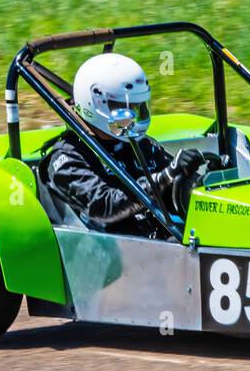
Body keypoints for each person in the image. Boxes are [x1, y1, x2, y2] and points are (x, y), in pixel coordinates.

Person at [40, 52, 208, 235]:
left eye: (136, 108)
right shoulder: (67, 159)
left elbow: (172, 189)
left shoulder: (140, 144)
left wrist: (196, 181)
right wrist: (164, 177)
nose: (133, 116)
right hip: (111, 254)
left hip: (164, 243)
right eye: (122, 108)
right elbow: (104, 207)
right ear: (94, 104)